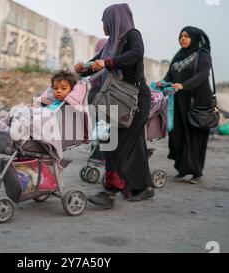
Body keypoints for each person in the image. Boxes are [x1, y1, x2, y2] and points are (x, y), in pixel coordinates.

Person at [74, 3, 154, 209]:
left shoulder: (132, 35)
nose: (103, 26)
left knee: (115, 144)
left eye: (104, 21)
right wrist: (83, 69)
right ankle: (143, 187)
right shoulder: (111, 44)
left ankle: (109, 192)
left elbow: (136, 53)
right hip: (120, 99)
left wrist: (108, 63)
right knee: (133, 145)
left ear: (114, 20)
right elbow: (97, 62)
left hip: (134, 99)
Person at [159, 26, 214, 184]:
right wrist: (162, 83)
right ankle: (182, 168)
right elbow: (170, 75)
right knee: (177, 135)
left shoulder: (202, 54)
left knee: (195, 136)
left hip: (197, 101)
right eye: (181, 36)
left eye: (187, 36)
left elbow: (203, 75)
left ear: (195, 38)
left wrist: (184, 85)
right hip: (178, 101)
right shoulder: (178, 55)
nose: (183, 39)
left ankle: (196, 171)